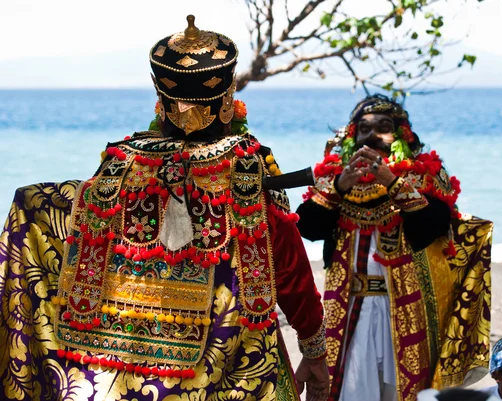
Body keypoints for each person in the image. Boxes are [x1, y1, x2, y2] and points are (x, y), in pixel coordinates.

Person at [0, 16, 329, 401]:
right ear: (228, 100)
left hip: (122, 377)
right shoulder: (248, 174)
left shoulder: (117, 170)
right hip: (229, 379)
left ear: (160, 98)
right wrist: (314, 352)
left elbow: (55, 215)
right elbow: (290, 275)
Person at [296, 94, 493, 401]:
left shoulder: (424, 174)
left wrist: (393, 183)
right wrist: (338, 189)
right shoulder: (336, 177)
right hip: (348, 306)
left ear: (403, 134)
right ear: (352, 136)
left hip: (404, 307)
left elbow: (434, 226)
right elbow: (306, 227)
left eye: (384, 127)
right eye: (364, 128)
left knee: (400, 392)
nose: (373, 135)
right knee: (349, 389)